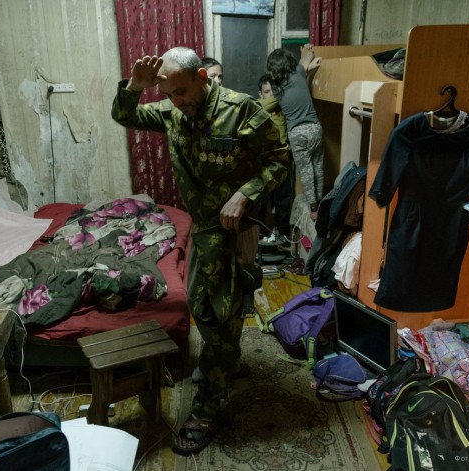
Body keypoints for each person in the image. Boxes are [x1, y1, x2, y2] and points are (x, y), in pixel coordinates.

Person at [111, 47, 289, 455]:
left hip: (236, 229)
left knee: (219, 315)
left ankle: (206, 409)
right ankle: (228, 362)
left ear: (203, 78)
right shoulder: (172, 112)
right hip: (205, 228)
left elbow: (280, 161)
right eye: (169, 94)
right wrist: (135, 86)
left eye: (183, 91)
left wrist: (245, 194)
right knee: (203, 305)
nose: (178, 101)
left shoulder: (241, 111)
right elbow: (125, 116)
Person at [266, 44, 324, 219]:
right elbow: (307, 58)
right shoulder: (298, 72)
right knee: (318, 167)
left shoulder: (275, 87)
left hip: (297, 133)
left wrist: (308, 67)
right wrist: (307, 50)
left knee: (306, 172)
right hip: (315, 128)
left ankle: (313, 209)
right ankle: (321, 202)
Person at [256, 74, 293, 240]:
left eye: (274, 91)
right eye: (267, 92)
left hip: (282, 158)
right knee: (261, 199)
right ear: (260, 94)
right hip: (263, 160)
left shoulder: (283, 107)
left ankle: (283, 234)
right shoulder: (257, 107)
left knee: (283, 199)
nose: (271, 95)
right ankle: (259, 233)